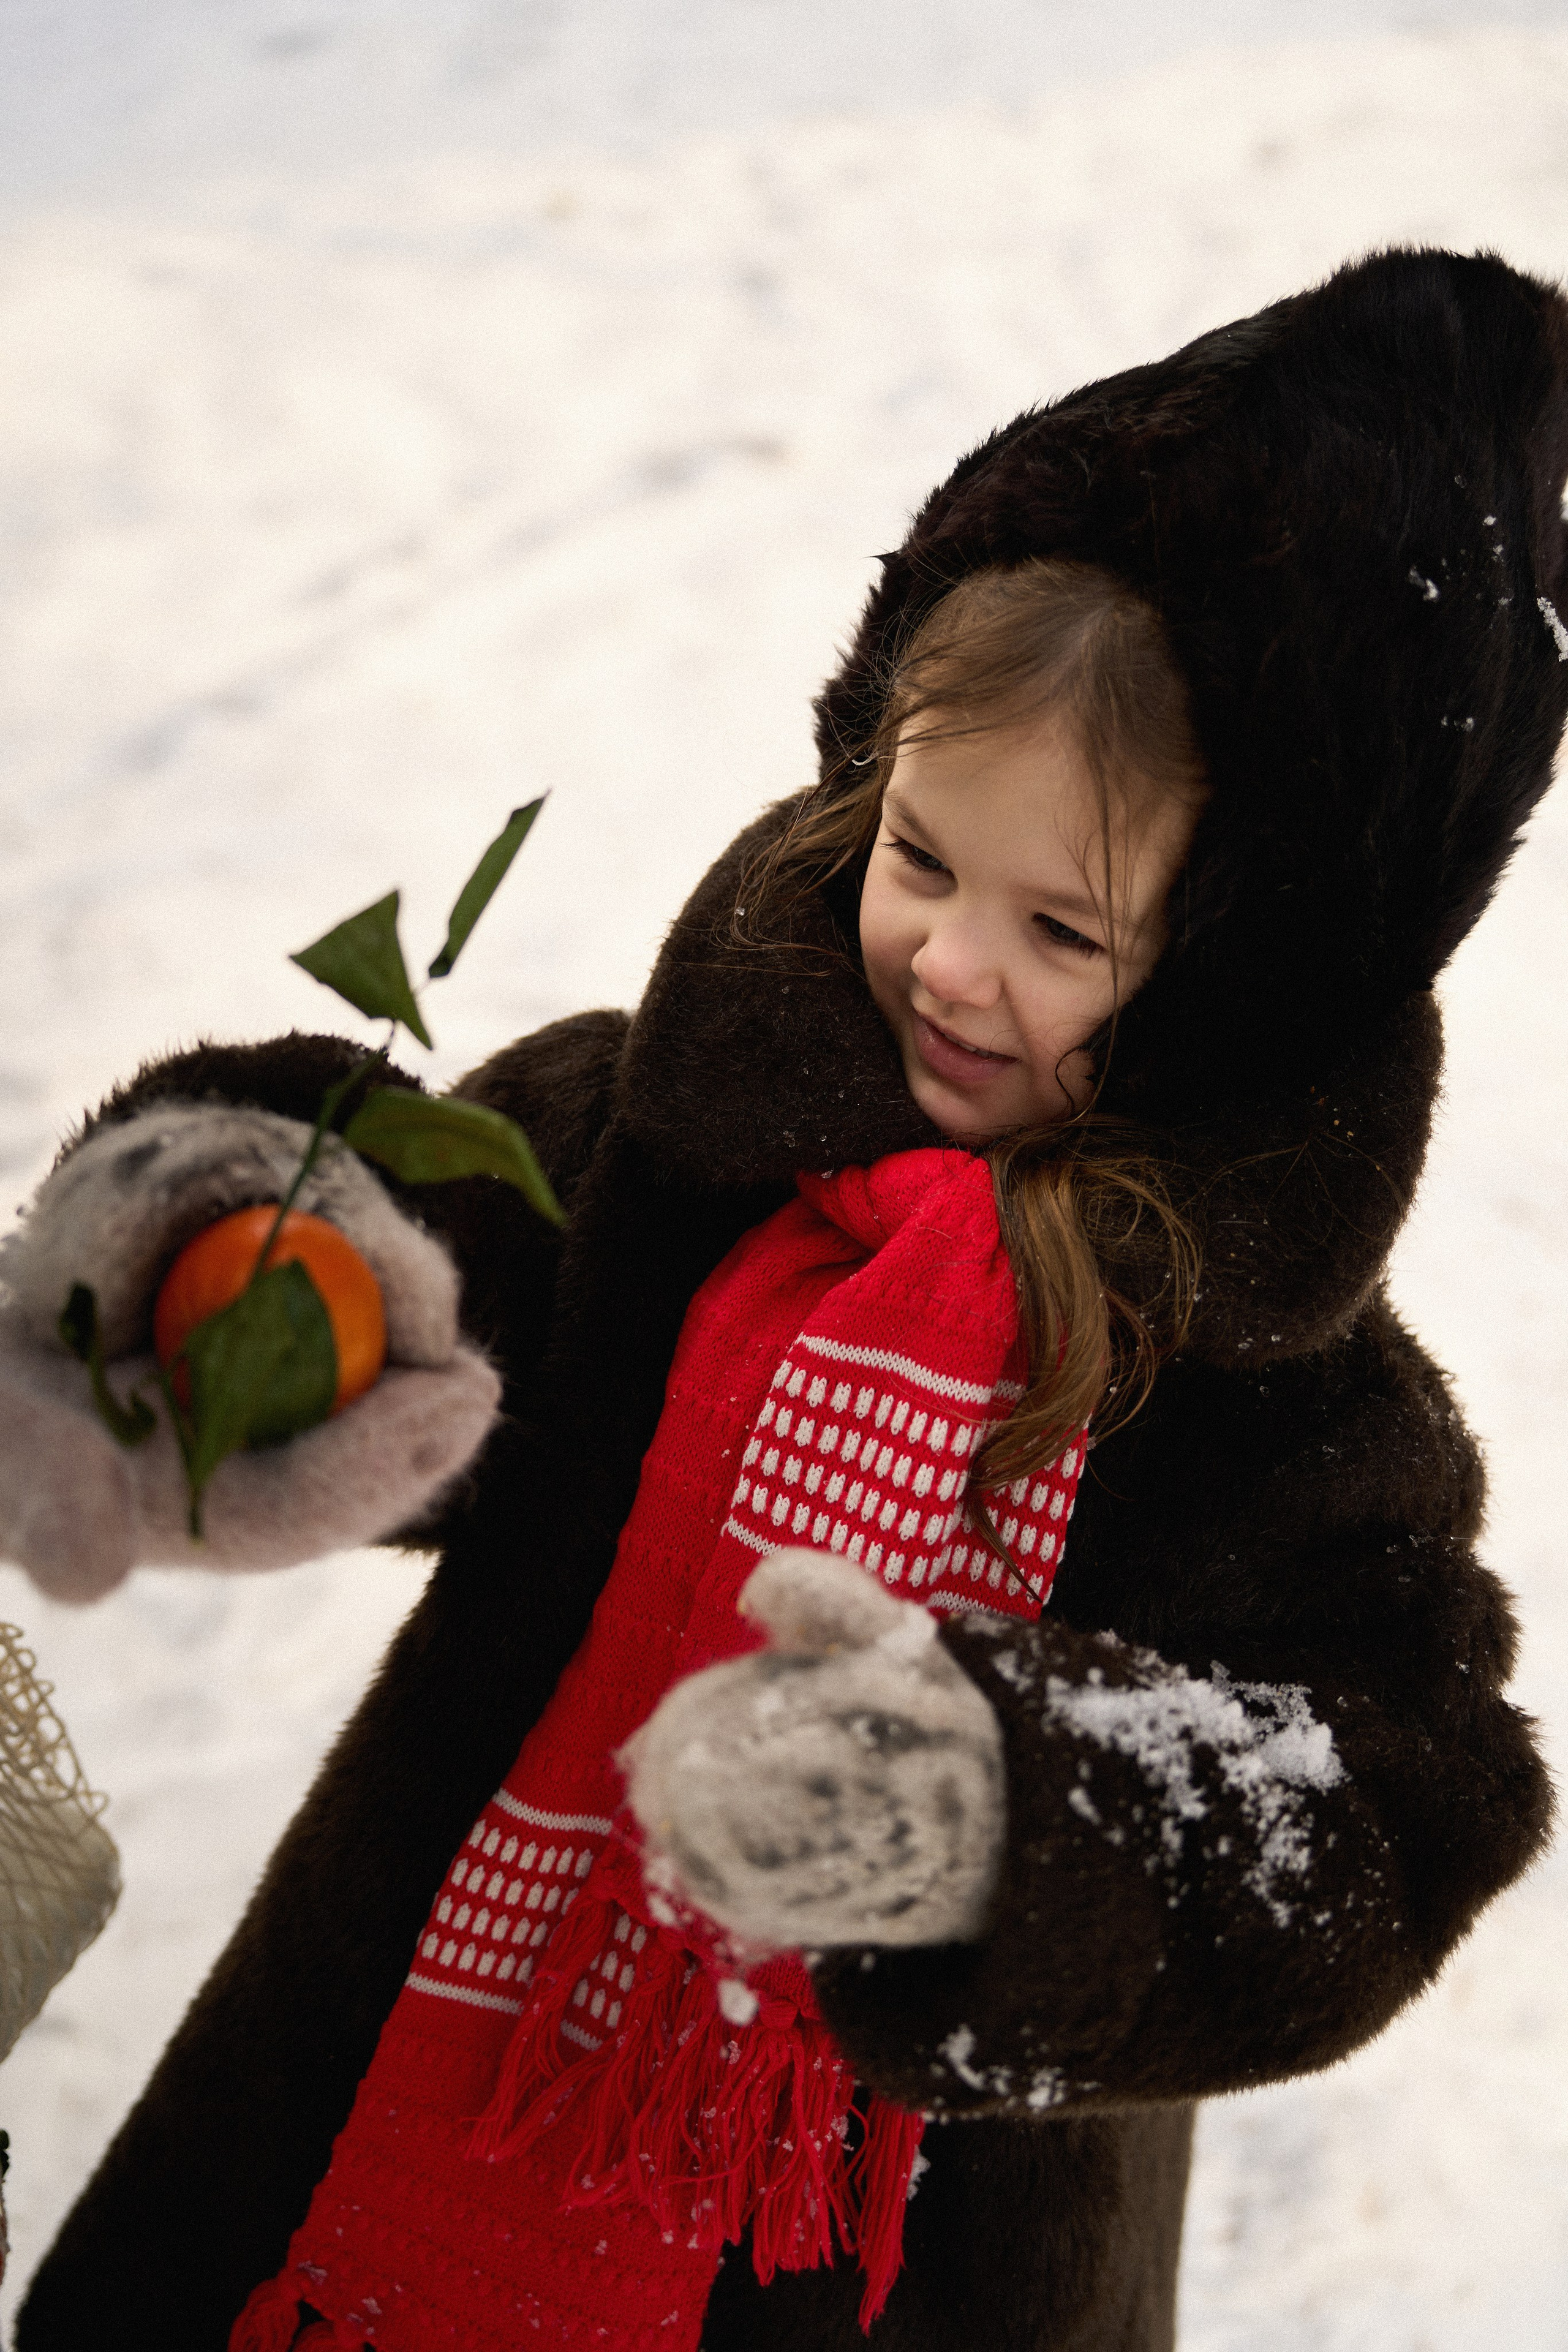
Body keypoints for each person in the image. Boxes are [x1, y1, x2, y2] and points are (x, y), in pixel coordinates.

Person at [1, 244, 1562, 2351]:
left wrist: (1008, 1821)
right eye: (922, 857)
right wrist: (234, 1272)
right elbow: (432, 1279)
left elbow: (1385, 1816)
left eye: (1064, 929)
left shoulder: (1272, 1404)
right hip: (376, 2116)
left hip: (901, 2266)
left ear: (1240, 976)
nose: (949, 960)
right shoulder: (684, 1139)